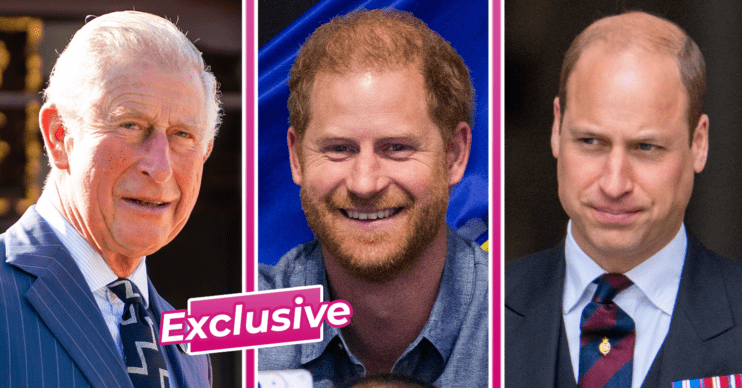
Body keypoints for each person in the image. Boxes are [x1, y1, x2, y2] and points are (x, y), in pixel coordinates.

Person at [506, 11, 742, 388]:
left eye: (646, 147)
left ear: (699, 143)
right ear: (556, 127)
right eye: (591, 142)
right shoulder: (481, 313)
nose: (615, 184)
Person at [258, 9, 488, 388]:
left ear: (455, 154)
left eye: (397, 147)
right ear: (296, 157)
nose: (364, 183)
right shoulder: (232, 333)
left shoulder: (517, 321)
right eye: (339, 148)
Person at [0, 11, 218, 388]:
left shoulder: (189, 347)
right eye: (130, 125)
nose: (160, 167)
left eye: (182, 134)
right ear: (58, 136)